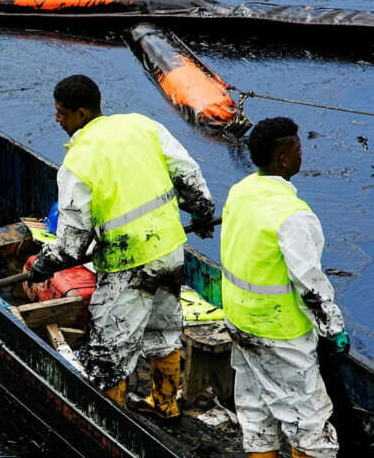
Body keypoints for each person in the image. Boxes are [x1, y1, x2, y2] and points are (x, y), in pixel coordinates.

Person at [28, 74, 216, 419]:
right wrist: (202, 211)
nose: (57, 119)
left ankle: (109, 425)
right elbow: (187, 173)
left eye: (61, 113)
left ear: (81, 114)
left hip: (126, 264)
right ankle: (166, 405)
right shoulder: (142, 126)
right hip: (170, 249)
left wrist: (43, 264)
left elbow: (71, 246)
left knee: (107, 353)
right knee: (163, 330)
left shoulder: (78, 161)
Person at [220, 117, 348, 458]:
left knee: (256, 412)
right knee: (309, 423)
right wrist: (333, 330)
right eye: (298, 149)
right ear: (284, 160)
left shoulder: (240, 190)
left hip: (239, 321)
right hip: (280, 333)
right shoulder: (293, 215)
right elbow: (311, 286)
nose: (302, 154)